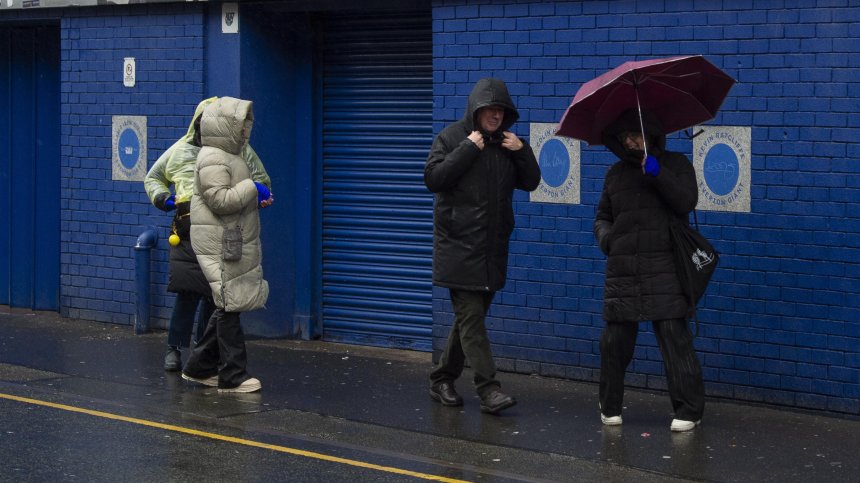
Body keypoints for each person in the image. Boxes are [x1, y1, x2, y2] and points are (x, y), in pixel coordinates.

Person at [424, 78, 541, 414]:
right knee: (472, 321)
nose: (495, 115)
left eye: (501, 110)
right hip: (458, 248)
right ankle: (489, 388)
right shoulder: (451, 138)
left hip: (492, 249)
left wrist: (523, 151)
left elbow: (531, 181)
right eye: (489, 109)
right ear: (475, 110)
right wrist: (468, 148)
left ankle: (442, 378)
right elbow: (434, 179)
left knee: (468, 322)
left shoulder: (508, 144)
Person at [593, 108, 705, 432]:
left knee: (674, 338)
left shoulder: (676, 165)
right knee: (615, 342)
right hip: (623, 268)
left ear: (651, 133)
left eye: (636, 134)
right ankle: (609, 405)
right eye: (625, 137)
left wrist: (657, 173)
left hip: (665, 268)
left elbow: (687, 202)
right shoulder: (615, 175)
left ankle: (689, 410)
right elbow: (602, 217)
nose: (630, 141)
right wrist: (608, 240)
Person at [144, 97, 272, 372]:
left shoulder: (241, 151)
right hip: (187, 229)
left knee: (215, 296)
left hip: (223, 229)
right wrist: (164, 198)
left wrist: (257, 194)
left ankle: (201, 355)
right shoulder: (179, 151)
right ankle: (175, 348)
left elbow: (261, 179)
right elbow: (153, 177)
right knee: (188, 291)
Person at [180, 96, 272, 393]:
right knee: (229, 303)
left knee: (226, 302)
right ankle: (233, 375)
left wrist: (256, 198)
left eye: (247, 125)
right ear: (225, 127)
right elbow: (220, 200)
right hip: (219, 242)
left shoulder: (231, 156)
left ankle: (199, 367)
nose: (246, 130)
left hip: (229, 238)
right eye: (240, 125)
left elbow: (233, 199)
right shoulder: (213, 157)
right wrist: (251, 188)